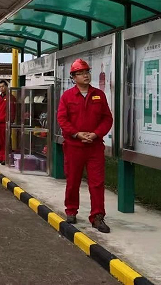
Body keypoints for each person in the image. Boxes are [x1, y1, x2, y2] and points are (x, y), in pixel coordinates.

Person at [57, 59, 113, 233]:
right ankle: (71, 211)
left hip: (94, 147)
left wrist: (96, 134)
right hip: (74, 146)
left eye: (87, 72)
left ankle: (97, 217)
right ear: (73, 77)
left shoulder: (99, 95)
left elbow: (107, 118)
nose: (85, 75)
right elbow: (62, 119)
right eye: (80, 73)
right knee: (73, 181)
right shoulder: (67, 96)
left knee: (97, 183)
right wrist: (76, 133)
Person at [0, 80, 16, 165]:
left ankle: (7, 158)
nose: (1, 88)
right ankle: (1, 156)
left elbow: (12, 110)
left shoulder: (10, 98)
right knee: (0, 141)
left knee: (7, 141)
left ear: (6, 87)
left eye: (2, 86)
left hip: (6, 122)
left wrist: (10, 121)